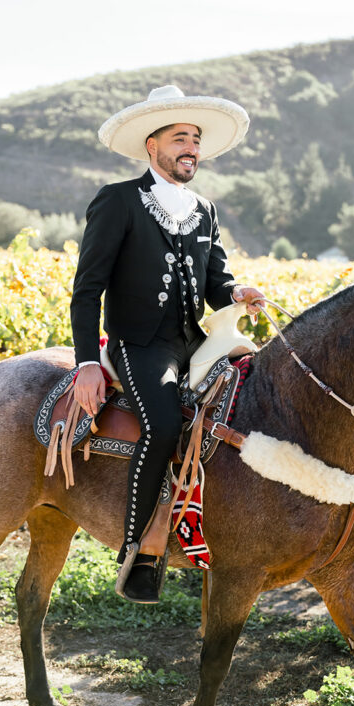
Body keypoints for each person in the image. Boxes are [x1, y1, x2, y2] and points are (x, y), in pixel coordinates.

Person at [70, 85, 265, 603]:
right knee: (162, 424)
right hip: (140, 347)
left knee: (256, 396)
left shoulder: (204, 209)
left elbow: (215, 282)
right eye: (181, 138)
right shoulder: (118, 201)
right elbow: (87, 291)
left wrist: (235, 291)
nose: (192, 148)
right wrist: (88, 361)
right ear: (151, 144)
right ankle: (139, 553)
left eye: (196, 140)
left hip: (194, 341)